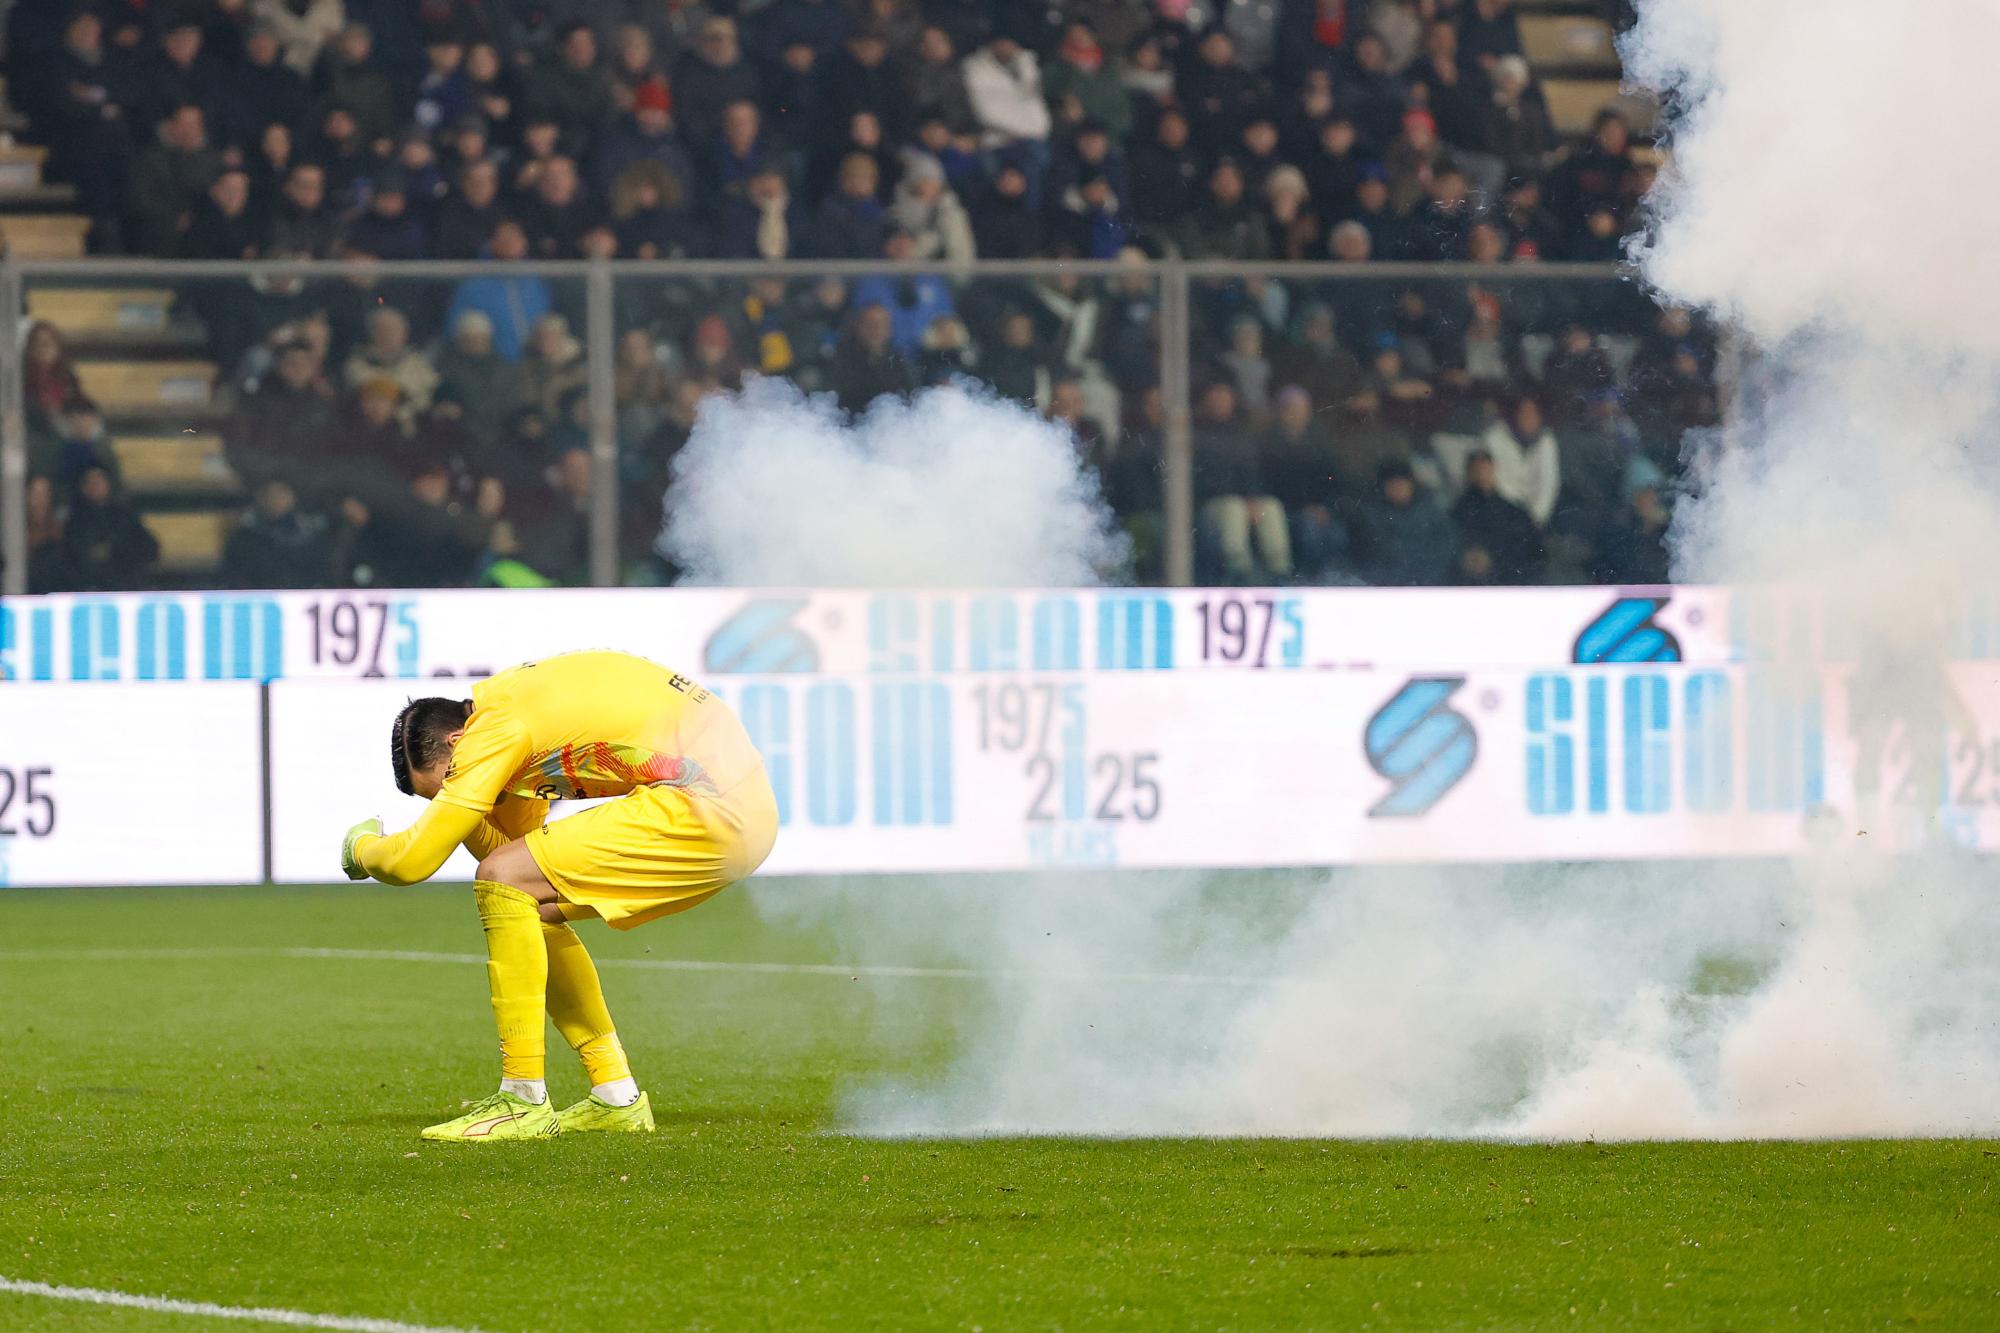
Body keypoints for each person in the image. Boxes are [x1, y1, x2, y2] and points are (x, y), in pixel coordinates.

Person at [340, 651, 780, 1142]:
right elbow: (508, 857)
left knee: (505, 881)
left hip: (712, 804)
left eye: (449, 782)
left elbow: (409, 864)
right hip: (737, 809)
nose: (456, 792)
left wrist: (361, 848)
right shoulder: (516, 727)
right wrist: (460, 819)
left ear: (457, 741)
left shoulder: (497, 726)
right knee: (527, 903)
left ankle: (521, 1100)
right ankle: (617, 1097)